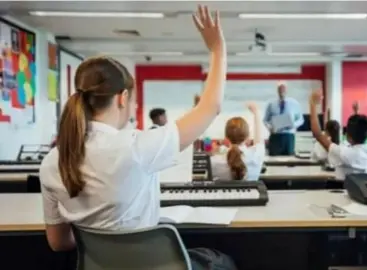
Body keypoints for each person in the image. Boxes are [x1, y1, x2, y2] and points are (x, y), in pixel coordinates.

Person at [39, 5, 236, 270]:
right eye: (131, 101)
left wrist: (102, 235)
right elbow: (210, 107)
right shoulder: (137, 147)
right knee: (222, 261)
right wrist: (217, 49)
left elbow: (58, 242)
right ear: (122, 99)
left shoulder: (53, 161)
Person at [309, 90, 367, 180]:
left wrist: (312, 105)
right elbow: (359, 128)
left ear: (347, 136)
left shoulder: (343, 153)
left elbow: (318, 134)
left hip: (345, 193)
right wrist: (356, 112)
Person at [211, 102, 265, 181]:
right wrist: (256, 113)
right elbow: (259, 141)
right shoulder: (256, 156)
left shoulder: (214, 162)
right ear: (247, 137)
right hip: (252, 194)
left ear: (226, 138)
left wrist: (212, 154)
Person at [263, 82, 304, 156]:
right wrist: (270, 128)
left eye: (283, 88)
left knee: (289, 160)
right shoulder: (271, 104)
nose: (282, 90)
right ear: (277, 90)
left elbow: (301, 120)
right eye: (280, 88)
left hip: (289, 136)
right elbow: (265, 120)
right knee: (273, 159)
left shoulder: (294, 103)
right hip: (275, 136)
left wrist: (293, 125)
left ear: (287, 90)